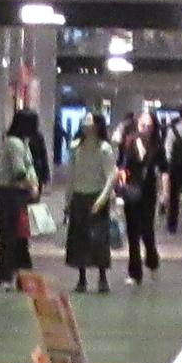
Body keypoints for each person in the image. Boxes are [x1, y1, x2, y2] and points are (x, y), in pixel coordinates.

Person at [65, 112, 115, 293]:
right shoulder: (75, 147)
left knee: (99, 240)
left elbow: (111, 176)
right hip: (79, 196)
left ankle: (102, 278)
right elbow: (71, 175)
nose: (86, 126)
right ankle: (82, 278)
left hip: (96, 197)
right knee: (79, 240)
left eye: (89, 123)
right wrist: (68, 199)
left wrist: (102, 199)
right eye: (84, 123)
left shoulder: (104, 149)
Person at [0, 108, 43, 290]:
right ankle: (6, 277)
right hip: (12, 194)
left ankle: (22, 277)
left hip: (16, 194)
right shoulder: (15, 144)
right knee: (11, 237)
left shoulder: (21, 142)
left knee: (20, 237)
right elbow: (19, 171)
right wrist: (32, 187)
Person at [117, 108, 165, 283]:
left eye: (148, 125)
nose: (144, 127)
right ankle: (134, 273)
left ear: (154, 128)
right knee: (132, 233)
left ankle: (152, 261)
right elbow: (121, 166)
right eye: (142, 124)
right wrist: (120, 188)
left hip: (148, 193)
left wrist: (164, 194)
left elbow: (164, 170)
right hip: (131, 191)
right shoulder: (129, 143)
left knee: (147, 231)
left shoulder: (157, 146)